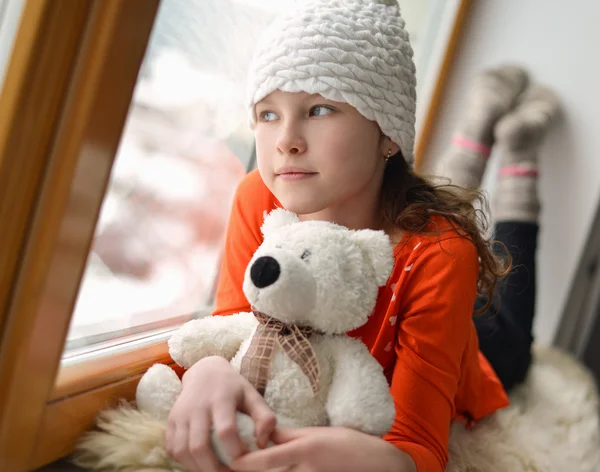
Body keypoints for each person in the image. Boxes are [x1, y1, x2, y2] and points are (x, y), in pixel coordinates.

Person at [164, 1, 560, 471]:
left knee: (513, 339)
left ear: (387, 132)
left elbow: (421, 445)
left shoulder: (441, 251)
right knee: (429, 202)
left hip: (466, 336)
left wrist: (377, 460)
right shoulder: (259, 196)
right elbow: (235, 323)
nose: (286, 140)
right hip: (404, 213)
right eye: (267, 114)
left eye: (319, 108)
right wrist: (207, 369)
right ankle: (475, 134)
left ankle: (517, 153)